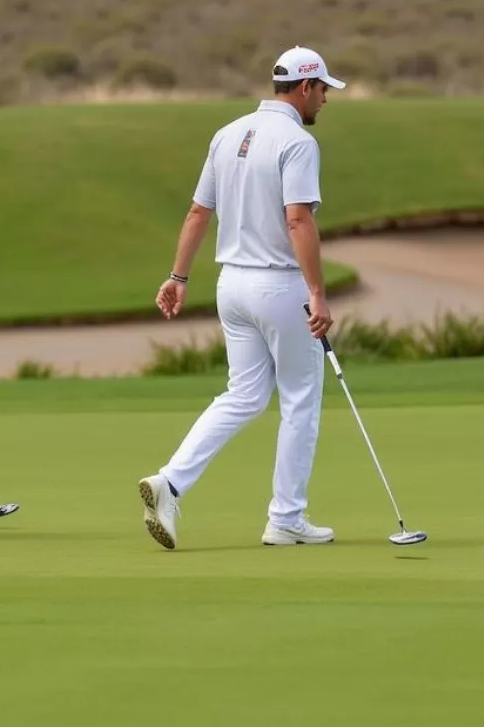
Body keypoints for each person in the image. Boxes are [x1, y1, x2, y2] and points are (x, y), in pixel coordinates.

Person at [137, 45, 346, 550]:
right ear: (303, 87)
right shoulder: (297, 142)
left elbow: (196, 213)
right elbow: (299, 219)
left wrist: (178, 276)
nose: (325, 99)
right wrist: (317, 293)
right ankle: (286, 518)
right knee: (300, 400)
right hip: (278, 286)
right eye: (322, 90)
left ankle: (170, 482)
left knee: (244, 395)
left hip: (230, 286)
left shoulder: (227, 133)